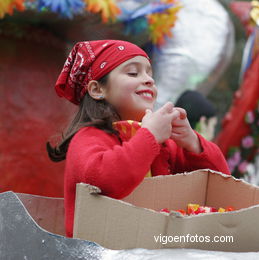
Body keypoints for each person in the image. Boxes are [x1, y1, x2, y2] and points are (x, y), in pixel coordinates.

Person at [46, 40, 230, 237]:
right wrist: (149, 136)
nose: (148, 80)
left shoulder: (164, 144)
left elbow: (218, 186)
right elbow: (104, 180)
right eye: (133, 73)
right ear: (97, 89)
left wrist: (192, 142)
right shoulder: (87, 138)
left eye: (150, 74)